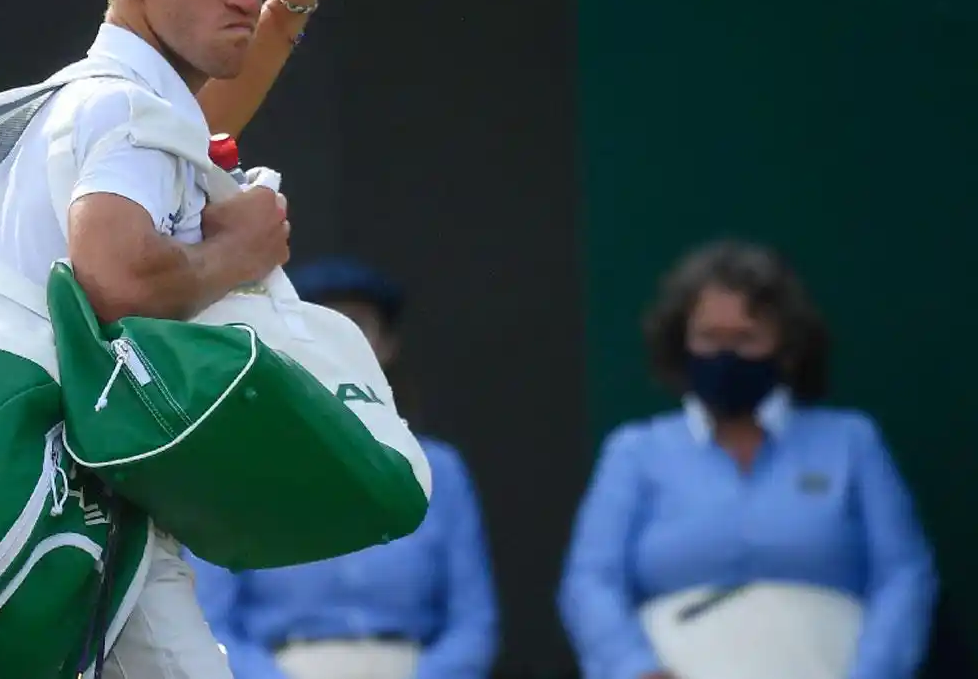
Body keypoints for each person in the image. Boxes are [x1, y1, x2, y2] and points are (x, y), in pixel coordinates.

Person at [0, 0, 350, 677]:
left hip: (40, 516)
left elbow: (194, 126)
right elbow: (115, 279)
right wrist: (237, 252)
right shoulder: (122, 110)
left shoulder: (99, 97)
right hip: (87, 515)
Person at [558, 240, 937, 679]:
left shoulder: (851, 442)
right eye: (709, 338)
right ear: (682, 343)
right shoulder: (635, 452)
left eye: (745, 339)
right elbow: (590, 580)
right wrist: (633, 668)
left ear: (785, 346)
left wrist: (873, 672)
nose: (726, 357)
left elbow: (904, 574)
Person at [188, 256, 500, 679]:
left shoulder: (440, 470)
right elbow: (209, 624)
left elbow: (474, 624)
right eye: (321, 326)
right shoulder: (242, 471)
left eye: (357, 327)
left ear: (387, 345)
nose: (339, 343)